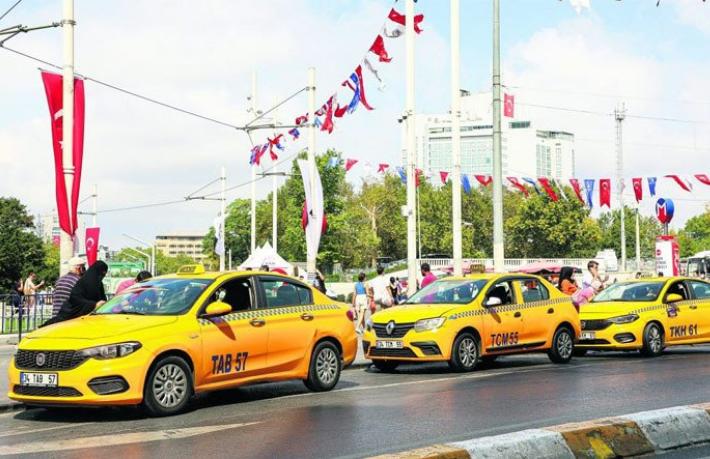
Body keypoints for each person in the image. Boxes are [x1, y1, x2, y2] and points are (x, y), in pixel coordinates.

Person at [42, 261, 109, 326]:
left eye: (104, 275)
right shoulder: (82, 282)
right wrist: (94, 305)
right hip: (69, 318)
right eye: (101, 274)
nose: (102, 277)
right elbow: (76, 299)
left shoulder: (98, 284)